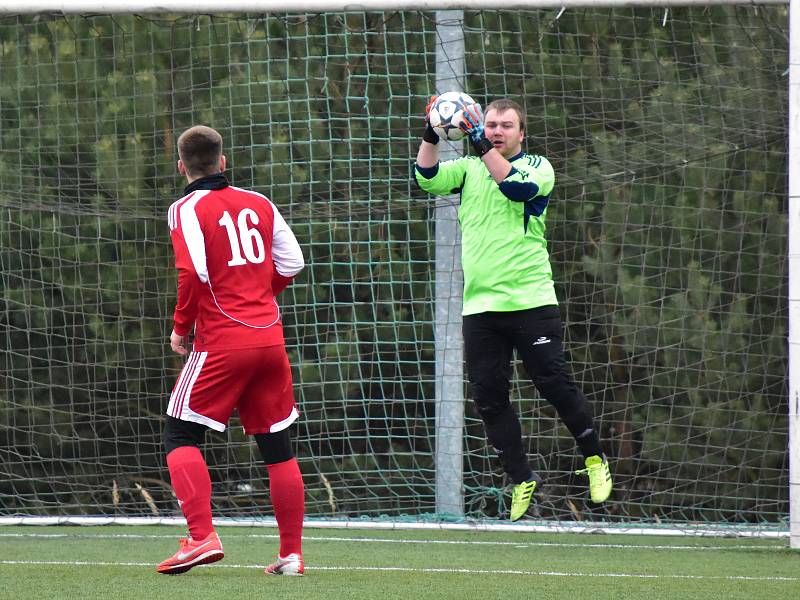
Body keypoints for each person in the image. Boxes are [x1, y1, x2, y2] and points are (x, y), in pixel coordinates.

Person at [414, 98, 613, 521]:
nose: (497, 131)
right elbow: (426, 177)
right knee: (488, 397)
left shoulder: (537, 168)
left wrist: (478, 145)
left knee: (553, 384)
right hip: (481, 307)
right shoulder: (467, 171)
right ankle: (521, 477)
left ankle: (595, 457)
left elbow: (515, 189)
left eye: (506, 125)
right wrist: (432, 131)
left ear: (521, 133)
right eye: (489, 125)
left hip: (530, 301)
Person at [157, 125, 306, 575]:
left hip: (223, 339)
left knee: (180, 434)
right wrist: (262, 294)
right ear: (224, 162)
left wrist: (181, 328)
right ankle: (291, 555)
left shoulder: (185, 208)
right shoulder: (259, 202)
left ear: (181, 166)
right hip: (269, 339)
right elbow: (293, 262)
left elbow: (193, 274)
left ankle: (201, 537)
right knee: (278, 446)